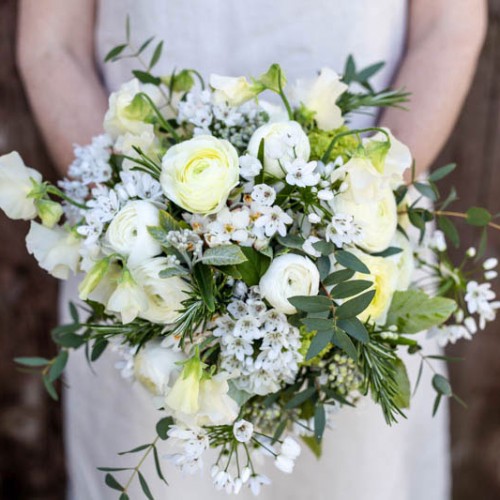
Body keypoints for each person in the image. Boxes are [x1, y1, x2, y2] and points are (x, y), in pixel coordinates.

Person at [17, 1, 486, 499]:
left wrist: (363, 201)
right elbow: (53, 44)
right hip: (145, 269)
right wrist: (132, 217)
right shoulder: (138, 242)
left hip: (357, 261)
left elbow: (447, 24)